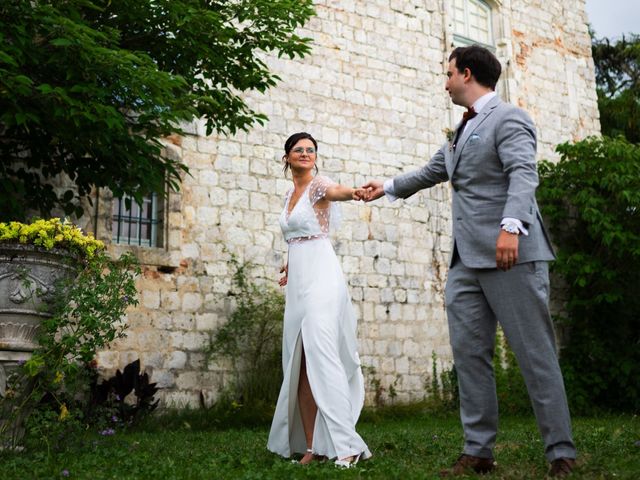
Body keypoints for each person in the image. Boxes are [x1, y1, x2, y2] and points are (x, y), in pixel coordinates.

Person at [361, 45, 577, 477]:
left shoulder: (509, 118)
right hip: (465, 262)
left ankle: (561, 452)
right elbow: (429, 172)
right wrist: (383, 187)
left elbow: (523, 172)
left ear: (466, 74)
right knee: (469, 355)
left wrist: (510, 227)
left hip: (508, 253)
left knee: (534, 354)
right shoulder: (460, 131)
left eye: (448, 74)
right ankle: (478, 450)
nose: (444, 83)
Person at [267, 132, 372, 468]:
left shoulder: (318, 185)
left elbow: (335, 192)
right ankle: (312, 446)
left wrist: (353, 193)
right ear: (287, 157)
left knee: (321, 355)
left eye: (311, 150)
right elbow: (298, 235)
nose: (305, 153)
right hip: (299, 279)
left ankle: (347, 445)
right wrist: (289, 262)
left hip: (323, 279)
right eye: (299, 149)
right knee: (298, 366)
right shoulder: (288, 194)